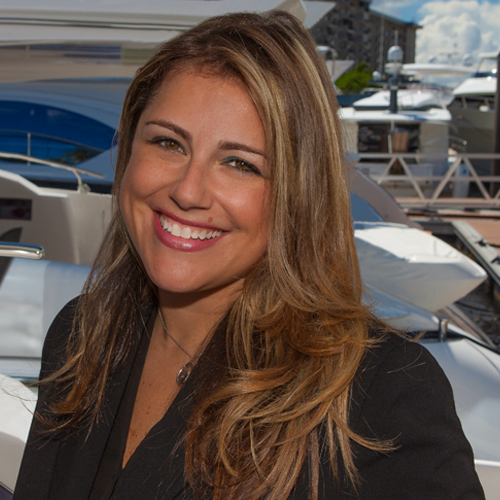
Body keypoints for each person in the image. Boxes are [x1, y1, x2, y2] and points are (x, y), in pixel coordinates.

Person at [14, 11, 484, 500]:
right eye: (168, 143)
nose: (188, 190)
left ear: (297, 195)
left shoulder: (381, 396)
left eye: (240, 163)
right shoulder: (81, 337)